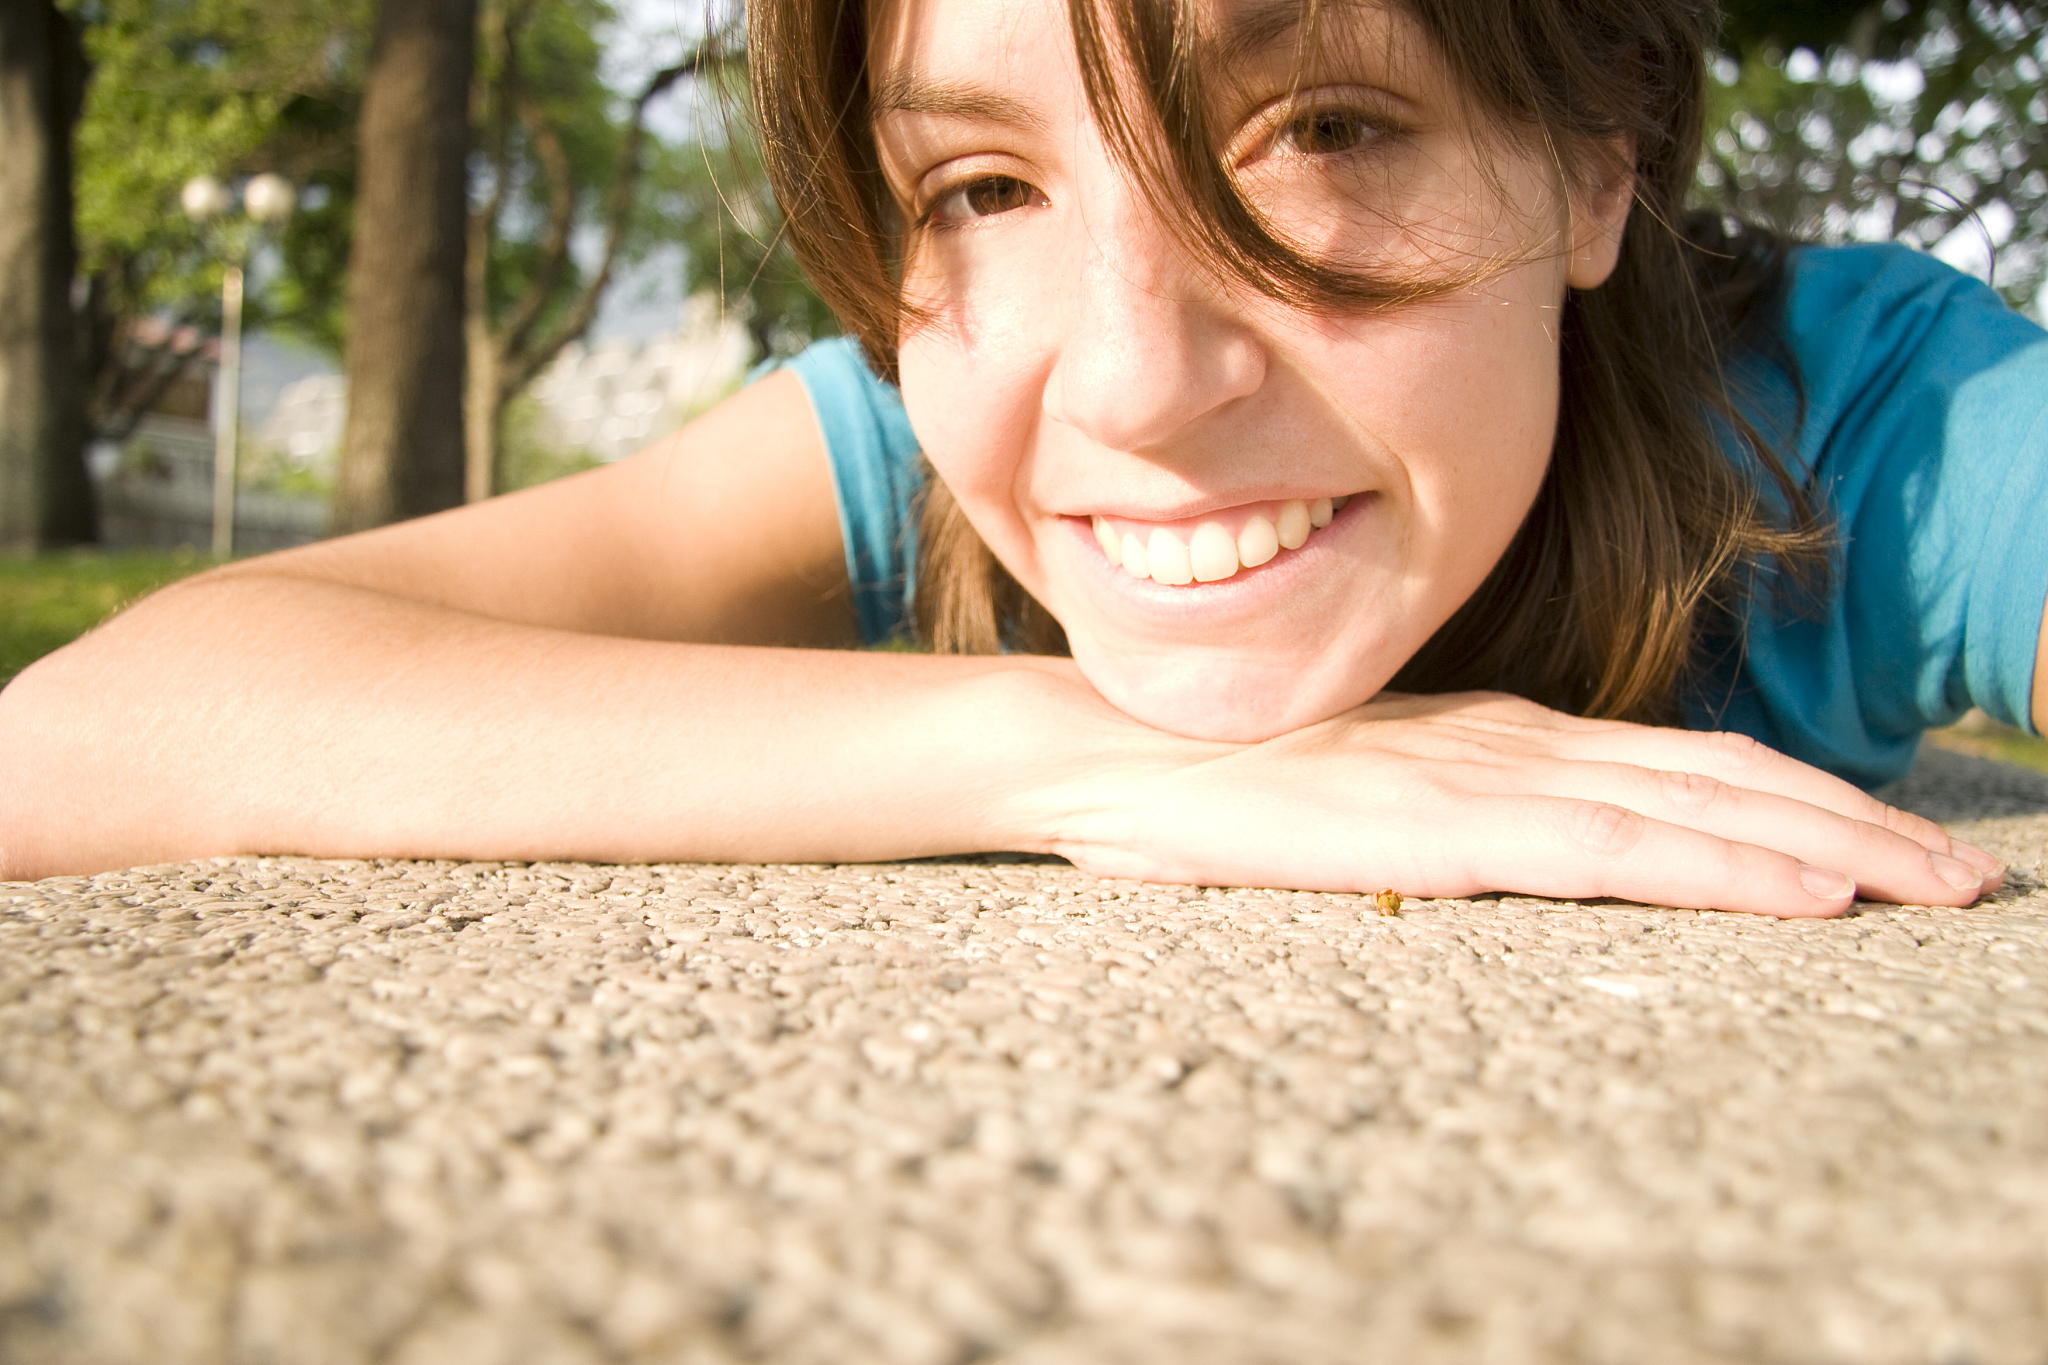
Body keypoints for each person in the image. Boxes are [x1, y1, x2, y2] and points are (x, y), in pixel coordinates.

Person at [1, 0, 2039, 918]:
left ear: (1601, 156)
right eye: (978, 182)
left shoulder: (1877, 430)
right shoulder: (897, 446)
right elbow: (76, 735)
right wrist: (1074, 751)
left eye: (1322, 126)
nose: (1132, 384)